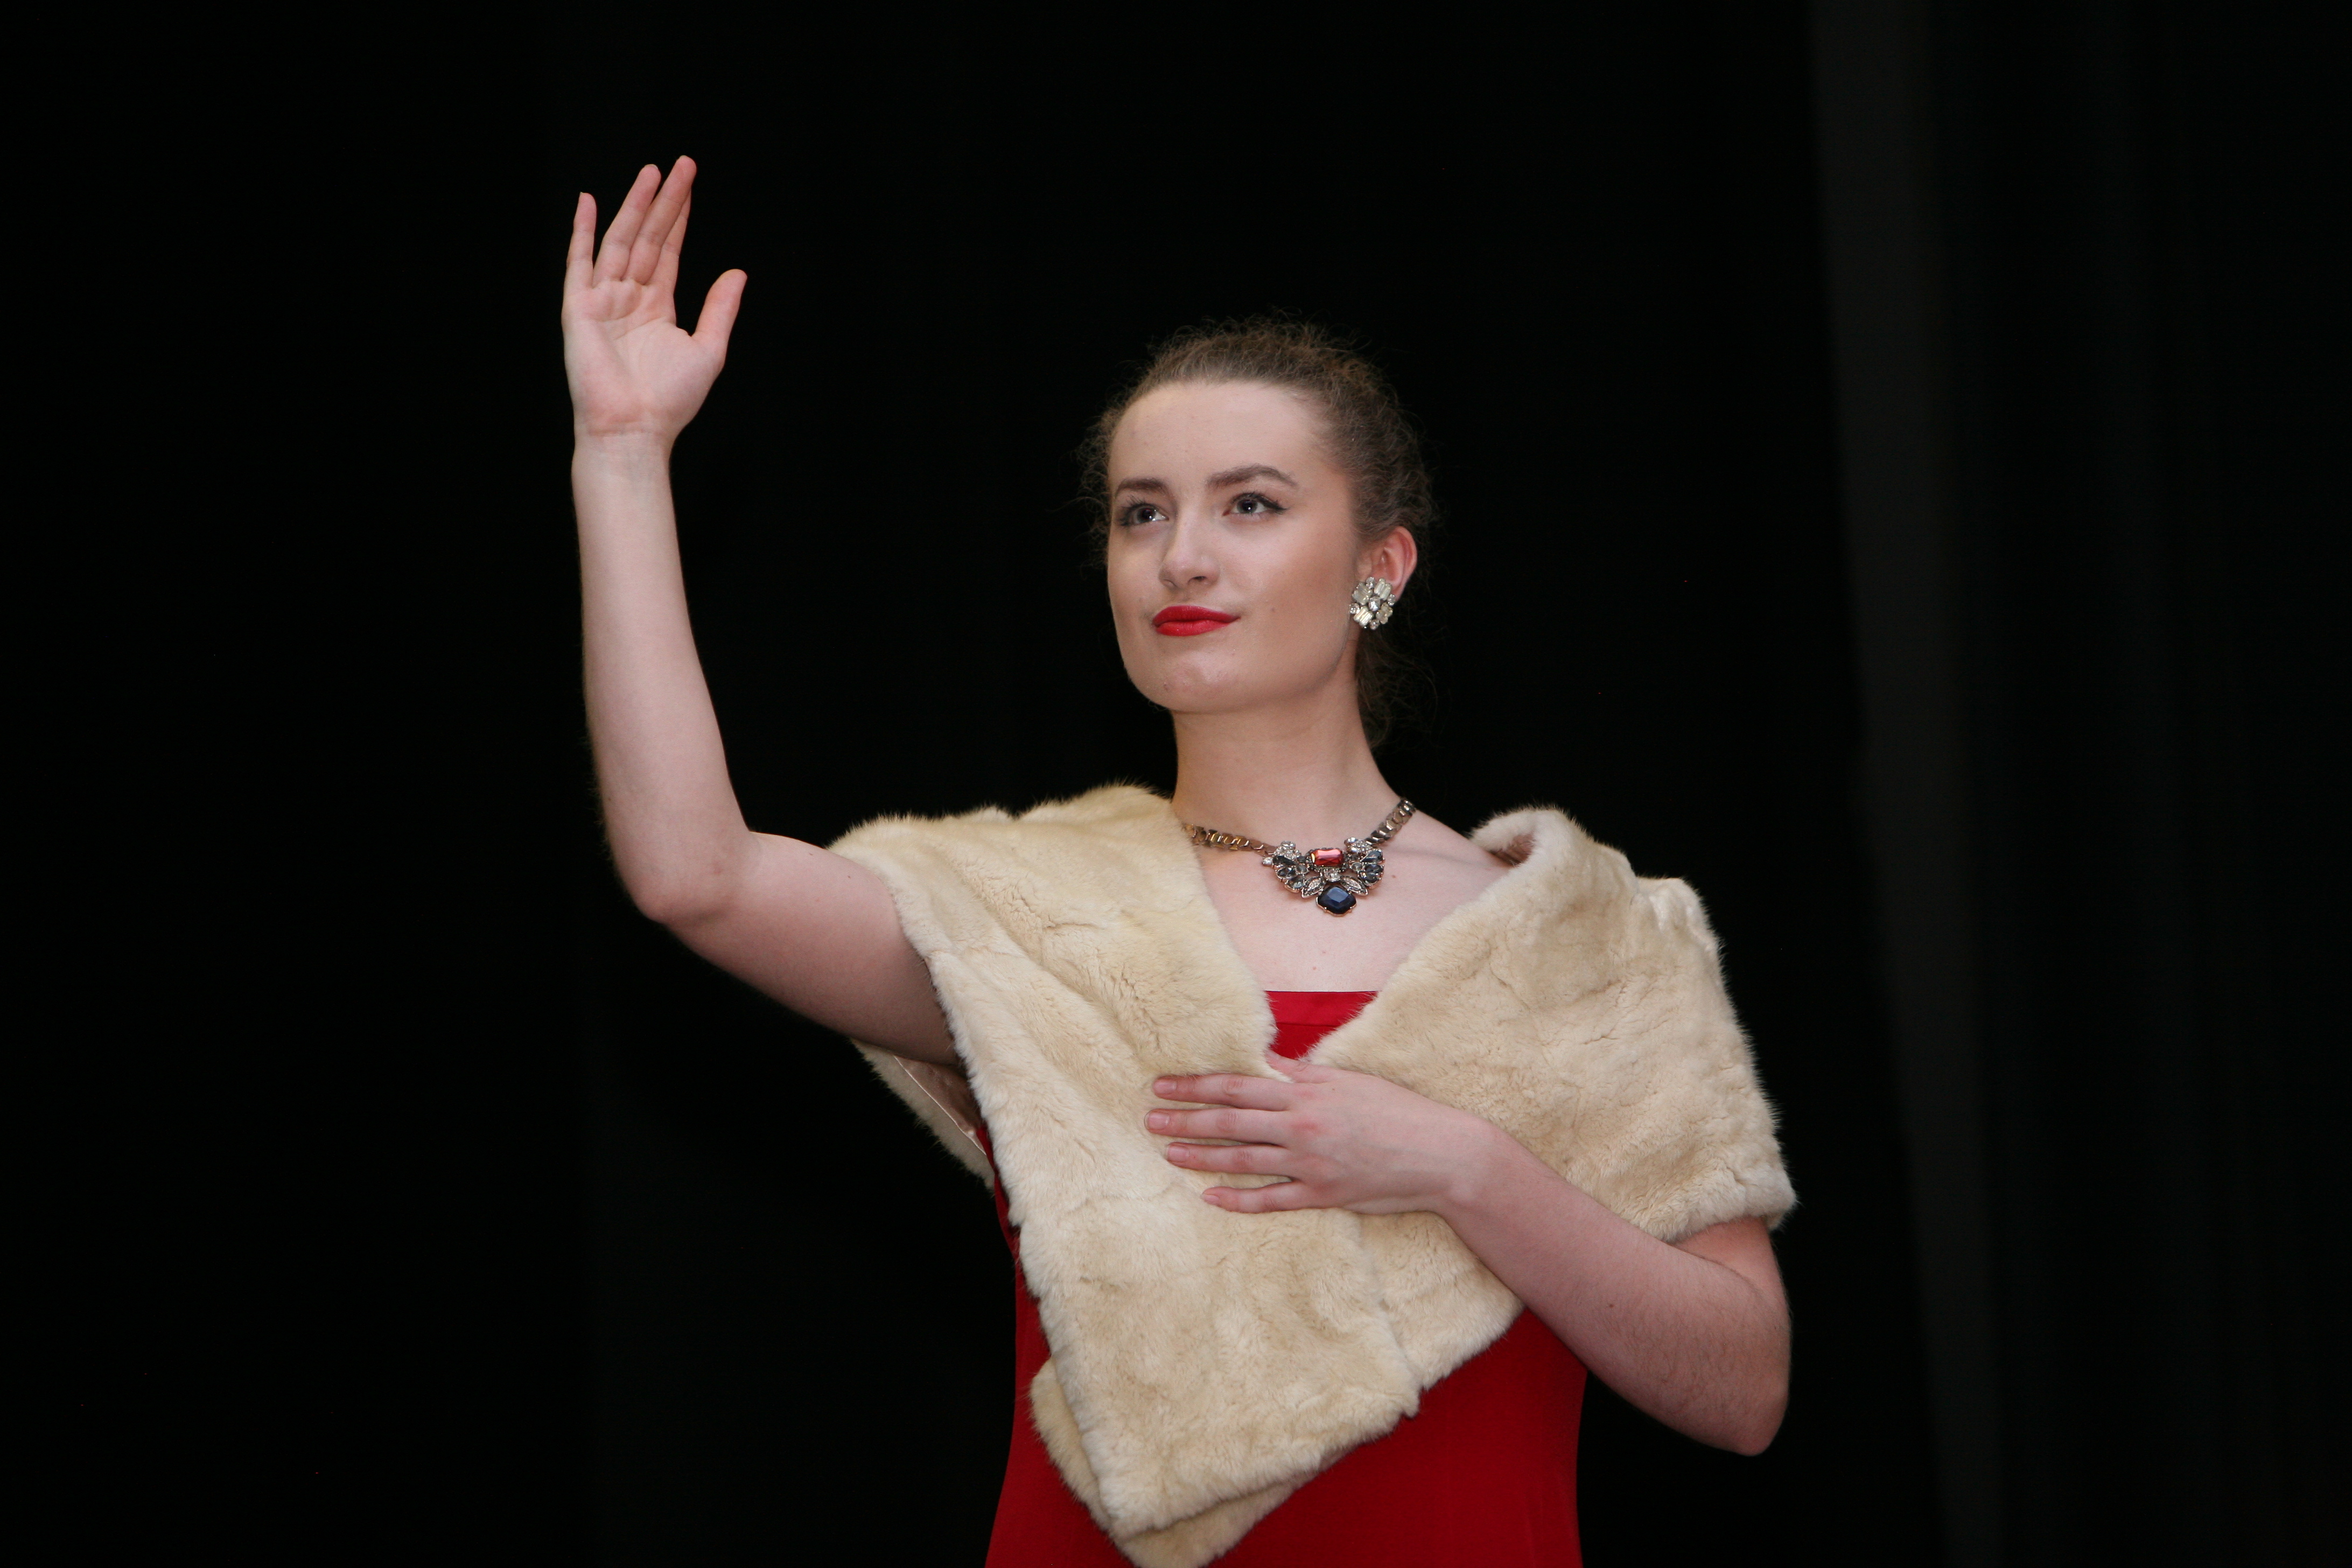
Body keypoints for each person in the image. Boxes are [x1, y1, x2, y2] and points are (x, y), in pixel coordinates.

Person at [563, 157, 1795, 1568]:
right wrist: (622, 454)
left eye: (1251, 505)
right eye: (1140, 512)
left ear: (1379, 567)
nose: (1183, 557)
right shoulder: (1029, 916)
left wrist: (1467, 1168)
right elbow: (696, 875)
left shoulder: (1588, 937)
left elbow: (1743, 1392)